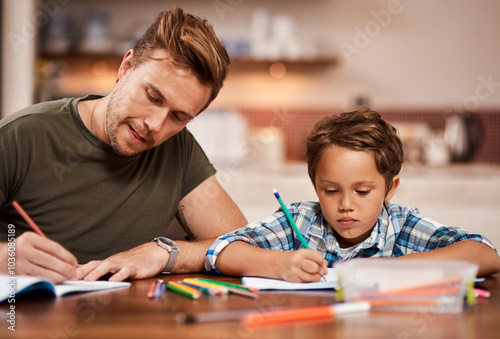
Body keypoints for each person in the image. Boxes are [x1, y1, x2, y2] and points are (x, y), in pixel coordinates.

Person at [0, 8, 247, 283]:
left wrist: (164, 253)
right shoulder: (21, 135)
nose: (155, 124)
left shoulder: (178, 149)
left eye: (178, 117)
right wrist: (5, 257)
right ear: (126, 67)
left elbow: (242, 246)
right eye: (153, 97)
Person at [206, 107, 500, 282]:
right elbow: (222, 250)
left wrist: (386, 269)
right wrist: (278, 264)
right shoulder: (301, 219)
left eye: (362, 191)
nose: (346, 205)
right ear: (316, 186)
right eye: (331, 190)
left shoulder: (402, 225)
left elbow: (485, 254)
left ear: (390, 188)